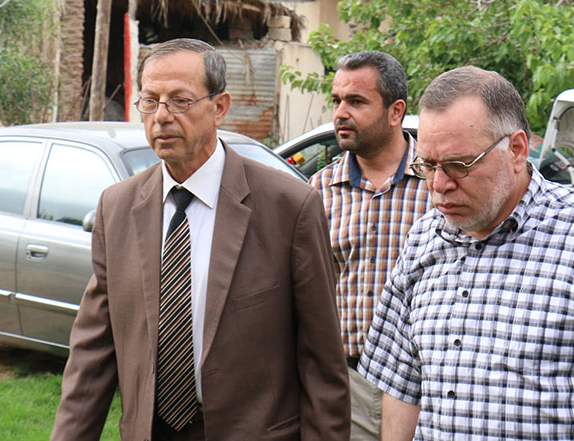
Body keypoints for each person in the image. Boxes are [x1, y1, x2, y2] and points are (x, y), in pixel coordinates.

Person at [358, 66, 574, 440]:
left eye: (458, 165)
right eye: (428, 165)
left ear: (517, 150)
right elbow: (401, 389)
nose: (439, 185)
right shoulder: (423, 240)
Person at [50, 38, 350, 441]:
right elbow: (92, 352)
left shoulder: (289, 206)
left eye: (180, 101)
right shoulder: (117, 207)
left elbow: (322, 363)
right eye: (150, 100)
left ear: (219, 108)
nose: (161, 116)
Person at [308, 50, 430, 440]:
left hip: (424, 383)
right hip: (344, 382)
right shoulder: (319, 191)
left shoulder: (439, 184)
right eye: (336, 101)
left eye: (356, 102)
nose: (341, 113)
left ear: (396, 112)